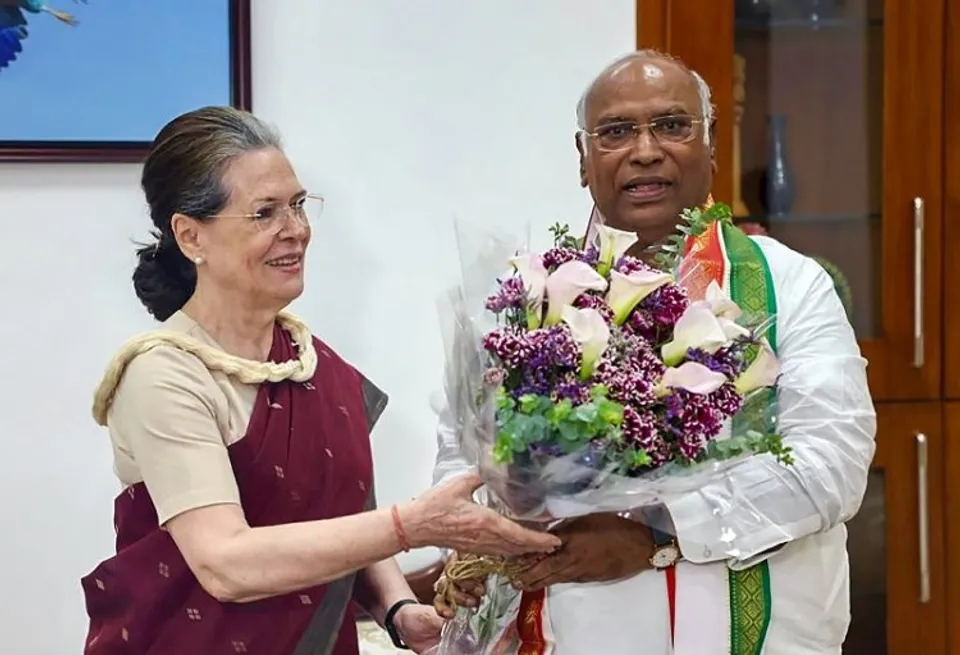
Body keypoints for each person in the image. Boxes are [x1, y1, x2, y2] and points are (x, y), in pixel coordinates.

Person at [432, 50, 877, 654]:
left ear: (712, 144)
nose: (645, 150)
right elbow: (463, 461)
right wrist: (478, 538)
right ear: (584, 160)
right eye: (616, 132)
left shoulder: (789, 286)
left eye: (672, 125)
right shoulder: (525, 302)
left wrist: (656, 534)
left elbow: (830, 465)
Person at [80, 106, 561, 655]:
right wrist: (413, 526)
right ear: (192, 236)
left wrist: (399, 610)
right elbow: (225, 563)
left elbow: (347, 515)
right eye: (265, 213)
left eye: (299, 205)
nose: (297, 231)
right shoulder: (163, 375)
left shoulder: (312, 363)